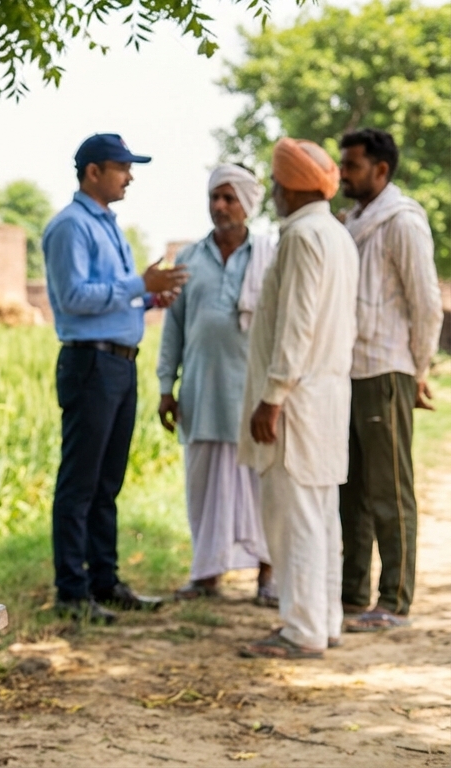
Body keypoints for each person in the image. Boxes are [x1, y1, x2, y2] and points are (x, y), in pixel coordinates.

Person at [43, 133, 189, 623]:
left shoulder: (108, 226)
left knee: (108, 481)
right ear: (93, 172)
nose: (130, 176)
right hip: (91, 364)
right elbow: (73, 298)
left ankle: (104, 581)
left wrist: (149, 298)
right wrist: (137, 285)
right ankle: (71, 591)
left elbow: (113, 296)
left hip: (120, 363)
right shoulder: (69, 227)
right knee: (80, 481)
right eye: (122, 167)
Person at [238, 138, 358, 660]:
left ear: (291, 186)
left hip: (298, 400)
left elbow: (297, 324)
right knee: (320, 515)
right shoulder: (335, 233)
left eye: (276, 183)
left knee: (296, 519)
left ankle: (301, 630)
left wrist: (273, 395)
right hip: (324, 396)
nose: (274, 193)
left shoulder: (303, 236)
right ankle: (322, 621)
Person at [157, 165, 276, 605]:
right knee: (203, 487)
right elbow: (174, 329)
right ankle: (206, 575)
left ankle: (269, 575)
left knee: (261, 485)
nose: (219, 206)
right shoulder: (189, 257)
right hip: (202, 394)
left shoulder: (270, 253)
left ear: (247, 203)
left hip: (255, 396)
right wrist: (166, 386)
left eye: (228, 197)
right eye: (214, 197)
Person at [337, 128, 441, 633]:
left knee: (389, 491)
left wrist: (416, 371)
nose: (342, 174)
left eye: (352, 165)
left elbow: (425, 305)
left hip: (387, 369)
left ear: (381, 170)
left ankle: (394, 600)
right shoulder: (351, 222)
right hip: (348, 372)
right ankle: (352, 594)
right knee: (350, 489)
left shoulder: (402, 221)